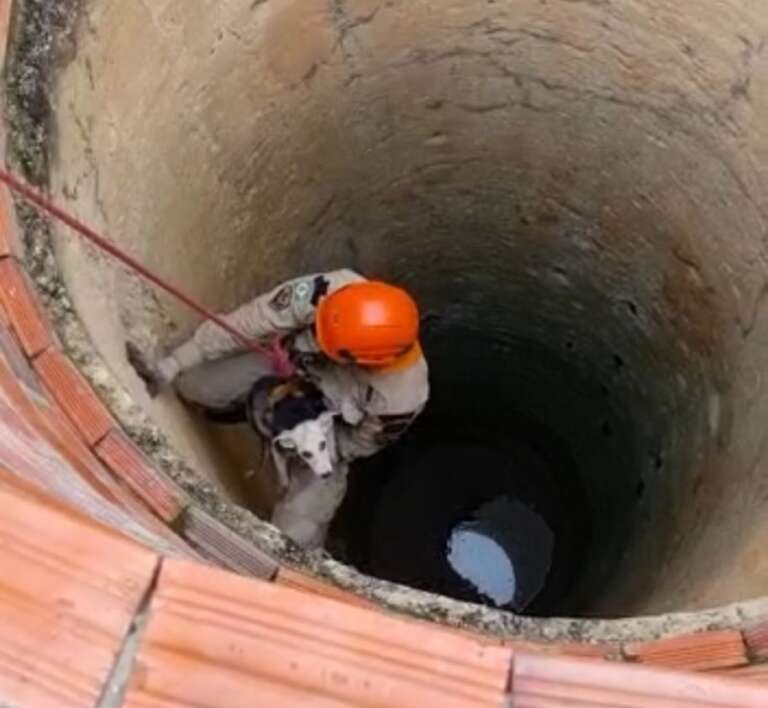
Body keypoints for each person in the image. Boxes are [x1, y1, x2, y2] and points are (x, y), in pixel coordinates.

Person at [131, 269, 429, 471]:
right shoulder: (334, 292)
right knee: (192, 386)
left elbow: (359, 444)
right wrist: (177, 361)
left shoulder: (401, 398)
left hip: (322, 426)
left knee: (297, 527)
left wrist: (306, 440)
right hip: (289, 363)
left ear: (364, 362)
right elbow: (253, 321)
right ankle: (241, 409)